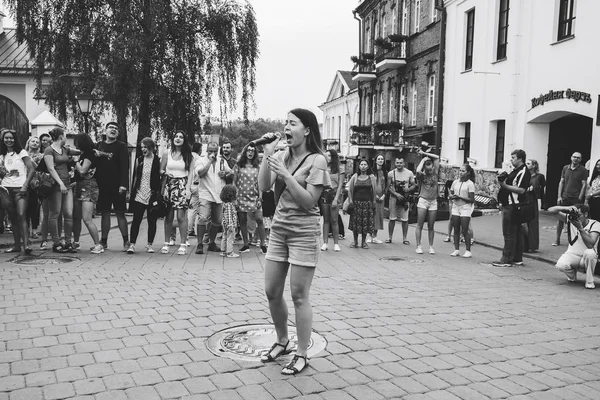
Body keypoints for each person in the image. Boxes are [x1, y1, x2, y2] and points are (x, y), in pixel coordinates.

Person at [258, 108, 330, 375]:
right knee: (272, 291)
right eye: (285, 123)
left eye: (292, 123)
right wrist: (267, 155)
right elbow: (264, 187)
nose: (286, 127)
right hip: (279, 229)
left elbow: (310, 200)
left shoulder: (317, 161)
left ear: (307, 130)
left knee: (299, 295)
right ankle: (282, 339)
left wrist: (287, 176)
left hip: (304, 231)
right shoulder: (279, 155)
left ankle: (301, 353)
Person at [43, 128, 81, 253]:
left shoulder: (65, 149)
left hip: (67, 184)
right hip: (56, 185)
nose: (65, 138)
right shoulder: (49, 150)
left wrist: (90, 150)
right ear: (61, 137)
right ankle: (56, 242)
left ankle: (68, 242)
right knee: (55, 213)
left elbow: (79, 152)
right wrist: (60, 184)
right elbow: (51, 169)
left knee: (68, 214)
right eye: (64, 136)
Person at [492, 149, 531, 267]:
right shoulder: (516, 170)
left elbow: (521, 190)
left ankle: (507, 259)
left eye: (513, 157)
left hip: (513, 205)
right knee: (517, 232)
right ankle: (517, 258)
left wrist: (505, 185)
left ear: (520, 158)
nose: (511, 160)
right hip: (509, 204)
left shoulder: (523, 171)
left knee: (509, 233)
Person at [95, 122, 130, 251]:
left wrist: (124, 185)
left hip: (117, 186)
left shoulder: (121, 146)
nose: (113, 130)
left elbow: (125, 166)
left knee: (120, 213)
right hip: (102, 185)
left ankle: (126, 241)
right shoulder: (99, 145)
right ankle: (103, 241)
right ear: (106, 130)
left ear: (118, 133)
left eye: (116, 128)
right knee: (105, 213)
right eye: (111, 128)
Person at [0, 128, 35, 254]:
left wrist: (25, 185)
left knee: (21, 215)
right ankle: (16, 245)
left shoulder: (22, 153)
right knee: (13, 218)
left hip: (20, 188)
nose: (9, 140)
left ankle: (26, 245)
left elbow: (31, 169)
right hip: (5, 189)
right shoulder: (1, 155)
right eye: (6, 138)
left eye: (11, 138)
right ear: (3, 139)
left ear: (15, 139)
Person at [548, 204, 599, 289]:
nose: (576, 218)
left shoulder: (595, 224)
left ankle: (590, 281)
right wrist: (566, 208)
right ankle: (572, 276)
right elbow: (550, 210)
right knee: (561, 265)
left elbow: (590, 244)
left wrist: (580, 228)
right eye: (574, 215)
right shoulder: (571, 220)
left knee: (590, 253)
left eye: (578, 215)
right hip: (573, 254)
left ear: (586, 214)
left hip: (587, 258)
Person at [160, 131, 194, 255]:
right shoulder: (166, 153)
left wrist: (188, 189)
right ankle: (166, 242)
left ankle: (183, 243)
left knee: (181, 217)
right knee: (168, 216)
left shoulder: (188, 155)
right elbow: (161, 169)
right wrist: (164, 174)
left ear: (184, 140)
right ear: (173, 139)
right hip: (169, 184)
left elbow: (191, 173)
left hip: (182, 185)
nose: (178, 139)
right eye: (176, 137)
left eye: (181, 137)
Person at [194, 142, 231, 254]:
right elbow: (200, 173)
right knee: (203, 218)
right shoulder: (201, 161)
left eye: (215, 151)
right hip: (206, 194)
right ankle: (200, 244)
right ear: (207, 150)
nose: (213, 153)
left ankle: (211, 243)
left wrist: (225, 174)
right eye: (210, 150)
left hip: (219, 194)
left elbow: (231, 172)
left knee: (217, 221)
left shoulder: (222, 161)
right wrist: (210, 161)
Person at [128, 138, 161, 254]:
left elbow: (159, 177)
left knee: (152, 221)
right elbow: (135, 176)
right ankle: (132, 244)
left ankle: (149, 244)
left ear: (151, 147)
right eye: (141, 147)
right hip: (139, 193)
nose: (143, 149)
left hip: (152, 194)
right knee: (136, 220)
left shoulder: (157, 160)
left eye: (145, 147)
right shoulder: (139, 160)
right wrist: (132, 191)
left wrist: (159, 194)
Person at [71, 134, 103, 254]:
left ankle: (98, 245)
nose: (75, 145)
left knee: (87, 218)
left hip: (89, 186)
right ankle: (76, 242)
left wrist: (75, 162)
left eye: (77, 142)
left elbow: (83, 170)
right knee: (76, 217)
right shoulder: (85, 154)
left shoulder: (89, 154)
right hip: (79, 186)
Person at [234, 143, 268, 254]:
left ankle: (263, 244)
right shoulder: (239, 165)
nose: (250, 152)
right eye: (248, 150)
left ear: (255, 153)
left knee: (259, 219)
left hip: (254, 197)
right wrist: (235, 197)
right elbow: (234, 182)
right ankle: (245, 244)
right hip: (241, 196)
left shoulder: (258, 166)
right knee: (242, 221)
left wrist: (260, 197)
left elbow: (260, 183)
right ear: (245, 152)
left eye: (252, 151)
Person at [553, 152, 588, 246]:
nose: (575, 159)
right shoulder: (565, 168)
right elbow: (562, 182)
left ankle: (573, 241)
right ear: (571, 157)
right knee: (560, 219)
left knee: (575, 219)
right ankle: (557, 239)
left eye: (578, 158)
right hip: (565, 197)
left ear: (580, 159)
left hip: (575, 198)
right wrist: (559, 196)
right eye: (574, 157)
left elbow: (584, 184)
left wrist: (580, 197)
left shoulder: (583, 170)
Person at [414, 149, 440, 254]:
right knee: (420, 224)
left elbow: (437, 157)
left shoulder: (435, 173)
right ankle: (418, 246)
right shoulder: (421, 175)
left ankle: (431, 246)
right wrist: (423, 160)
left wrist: (425, 153)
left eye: (430, 166)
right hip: (423, 200)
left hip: (433, 201)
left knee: (431, 225)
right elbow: (417, 171)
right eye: (427, 167)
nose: (429, 169)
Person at [347, 159, 376, 249]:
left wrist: (374, 201)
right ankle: (355, 241)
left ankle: (363, 242)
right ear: (359, 166)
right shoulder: (355, 176)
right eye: (361, 164)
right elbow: (349, 189)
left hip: (367, 203)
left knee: (365, 223)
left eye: (365, 164)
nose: (363, 166)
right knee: (355, 223)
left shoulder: (371, 177)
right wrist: (350, 200)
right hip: (356, 203)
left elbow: (374, 191)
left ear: (368, 166)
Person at [387, 157, 416, 244]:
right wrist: (396, 194)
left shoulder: (409, 173)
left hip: (404, 198)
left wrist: (408, 189)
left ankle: (405, 238)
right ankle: (390, 237)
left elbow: (414, 184)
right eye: (397, 163)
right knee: (392, 218)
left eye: (400, 163)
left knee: (405, 219)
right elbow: (388, 186)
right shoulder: (391, 173)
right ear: (395, 163)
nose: (399, 164)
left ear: (404, 163)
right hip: (394, 197)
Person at [449, 164, 476, 258]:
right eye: (460, 170)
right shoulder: (455, 182)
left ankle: (468, 250)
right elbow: (451, 193)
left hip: (465, 207)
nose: (461, 172)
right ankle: (456, 249)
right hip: (456, 206)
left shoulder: (470, 184)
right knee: (456, 228)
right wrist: (451, 197)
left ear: (468, 173)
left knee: (465, 229)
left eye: (463, 171)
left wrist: (460, 197)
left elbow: (471, 199)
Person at [319, 149, 343, 252]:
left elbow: (340, 185)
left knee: (334, 220)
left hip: (334, 194)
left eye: (329, 156)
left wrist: (336, 198)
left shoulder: (339, 169)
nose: (327, 157)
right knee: (326, 219)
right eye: (326, 155)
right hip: (324, 194)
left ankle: (336, 243)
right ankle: (325, 242)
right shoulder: (323, 168)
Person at [523, 159, 546, 253]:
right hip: (524, 200)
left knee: (532, 223)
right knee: (523, 223)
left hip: (532, 201)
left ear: (534, 166)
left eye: (528, 163)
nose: (526, 165)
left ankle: (532, 246)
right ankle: (524, 245)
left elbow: (541, 190)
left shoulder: (539, 176)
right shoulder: (524, 175)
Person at [24, 136, 43, 239]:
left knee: (34, 207)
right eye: (33, 141)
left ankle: (34, 229)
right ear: (28, 142)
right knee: (24, 207)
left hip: (34, 183)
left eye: (37, 142)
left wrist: (31, 160)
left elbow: (40, 169)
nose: (35, 143)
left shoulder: (40, 156)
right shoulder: (22, 154)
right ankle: (25, 229)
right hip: (22, 182)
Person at [369, 154, 387, 244]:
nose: (380, 160)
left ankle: (375, 236)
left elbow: (387, 185)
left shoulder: (385, 172)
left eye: (382, 159)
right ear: (375, 160)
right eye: (379, 159)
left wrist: (384, 195)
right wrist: (374, 195)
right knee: (371, 215)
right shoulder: (371, 171)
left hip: (381, 197)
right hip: (372, 196)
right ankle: (369, 235)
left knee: (379, 216)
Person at [219, 184, 239, 258]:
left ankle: (223, 250)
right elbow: (229, 215)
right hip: (229, 224)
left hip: (224, 224)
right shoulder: (229, 205)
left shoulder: (224, 204)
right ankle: (230, 252)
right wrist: (230, 224)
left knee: (224, 236)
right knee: (230, 238)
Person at [187, 142, 203, 237]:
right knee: (193, 209)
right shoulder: (199, 159)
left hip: (188, 185)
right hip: (196, 186)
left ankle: (189, 228)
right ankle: (190, 229)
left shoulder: (188, 157)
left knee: (189, 208)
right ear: (199, 150)